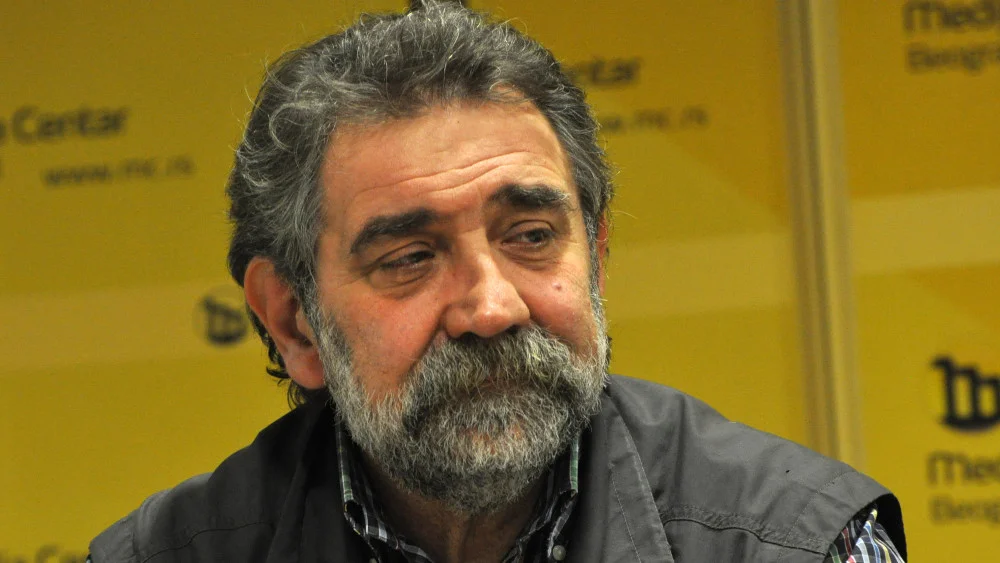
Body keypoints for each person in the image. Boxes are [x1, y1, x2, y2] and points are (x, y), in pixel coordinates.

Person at [89, 2, 906, 562]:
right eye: (410, 257)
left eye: (532, 237)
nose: (491, 306)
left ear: (596, 259)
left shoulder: (795, 542)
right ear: (293, 320)